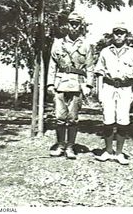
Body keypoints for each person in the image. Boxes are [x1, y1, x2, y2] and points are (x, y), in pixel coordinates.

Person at [94, 22, 133, 165]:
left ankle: (119, 153)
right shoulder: (105, 51)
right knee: (108, 119)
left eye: (122, 33)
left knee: (123, 120)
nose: (119, 35)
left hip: (125, 88)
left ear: (126, 35)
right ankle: (108, 151)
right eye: (116, 32)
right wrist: (99, 91)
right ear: (113, 34)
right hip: (108, 87)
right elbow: (99, 73)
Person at [48, 12, 94, 159]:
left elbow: (90, 67)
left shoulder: (86, 45)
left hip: (77, 84)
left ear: (80, 26)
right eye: (71, 23)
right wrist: (49, 84)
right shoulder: (58, 43)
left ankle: (70, 147)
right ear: (67, 25)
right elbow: (52, 65)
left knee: (73, 117)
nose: (74, 26)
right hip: (60, 83)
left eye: (77, 24)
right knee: (60, 117)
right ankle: (61, 144)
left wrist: (88, 85)